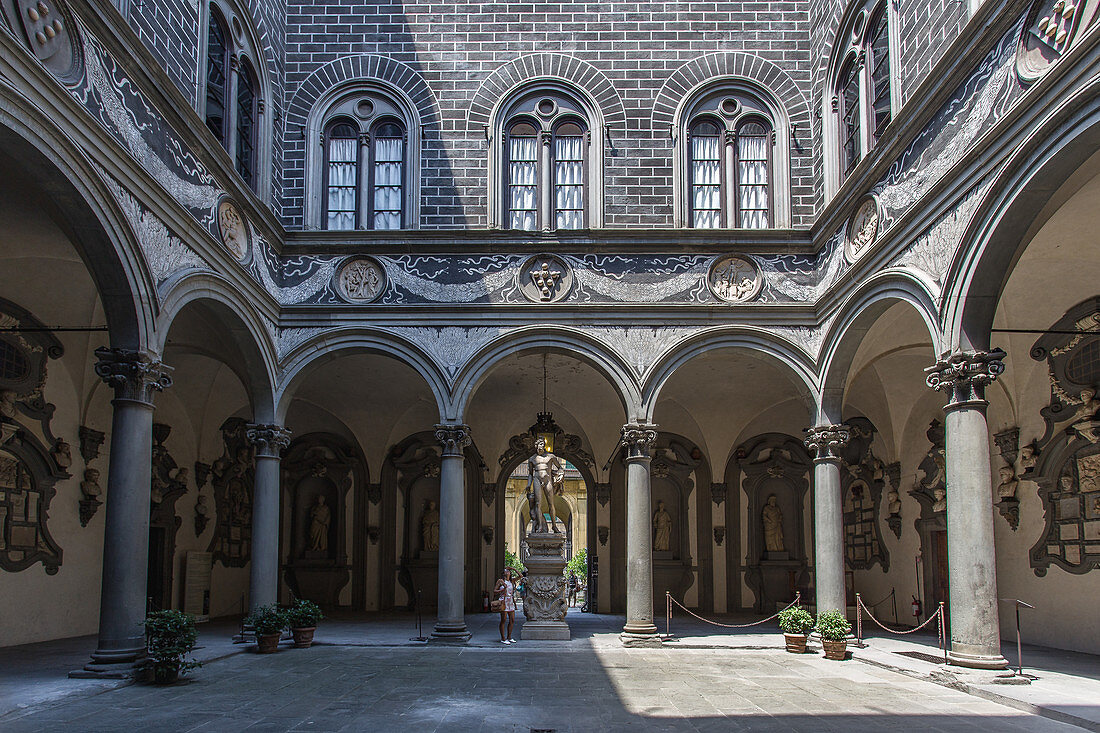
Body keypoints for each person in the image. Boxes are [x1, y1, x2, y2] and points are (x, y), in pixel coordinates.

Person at [494, 568, 518, 644]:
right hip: (503, 601)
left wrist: (513, 569)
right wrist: (501, 590)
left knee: (512, 619)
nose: (508, 572)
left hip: (510, 601)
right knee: (503, 620)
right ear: (503, 573)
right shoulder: (501, 581)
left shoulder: (512, 581)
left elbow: (520, 576)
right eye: (506, 571)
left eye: (509, 571)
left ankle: (509, 637)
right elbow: (494, 591)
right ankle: (503, 638)